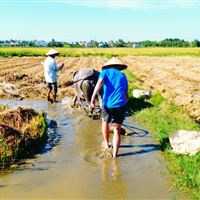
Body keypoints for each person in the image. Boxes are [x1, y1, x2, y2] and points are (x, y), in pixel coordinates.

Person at [90, 57, 128, 158]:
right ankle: (115, 155)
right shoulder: (123, 75)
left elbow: (99, 84)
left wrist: (93, 98)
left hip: (108, 104)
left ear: (108, 66)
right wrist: (124, 103)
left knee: (105, 122)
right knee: (117, 130)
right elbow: (126, 93)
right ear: (119, 67)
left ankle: (107, 144)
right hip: (120, 105)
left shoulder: (105, 72)